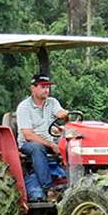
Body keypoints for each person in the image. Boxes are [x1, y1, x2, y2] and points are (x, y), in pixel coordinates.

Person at [17, 73, 69, 201]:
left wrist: (65, 115)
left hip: (50, 139)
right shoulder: (24, 107)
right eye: (42, 86)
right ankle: (48, 188)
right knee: (37, 148)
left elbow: (60, 113)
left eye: (48, 87)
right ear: (33, 88)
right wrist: (51, 145)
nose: (46, 90)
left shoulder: (52, 102)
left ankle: (70, 182)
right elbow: (28, 135)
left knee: (72, 144)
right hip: (28, 144)